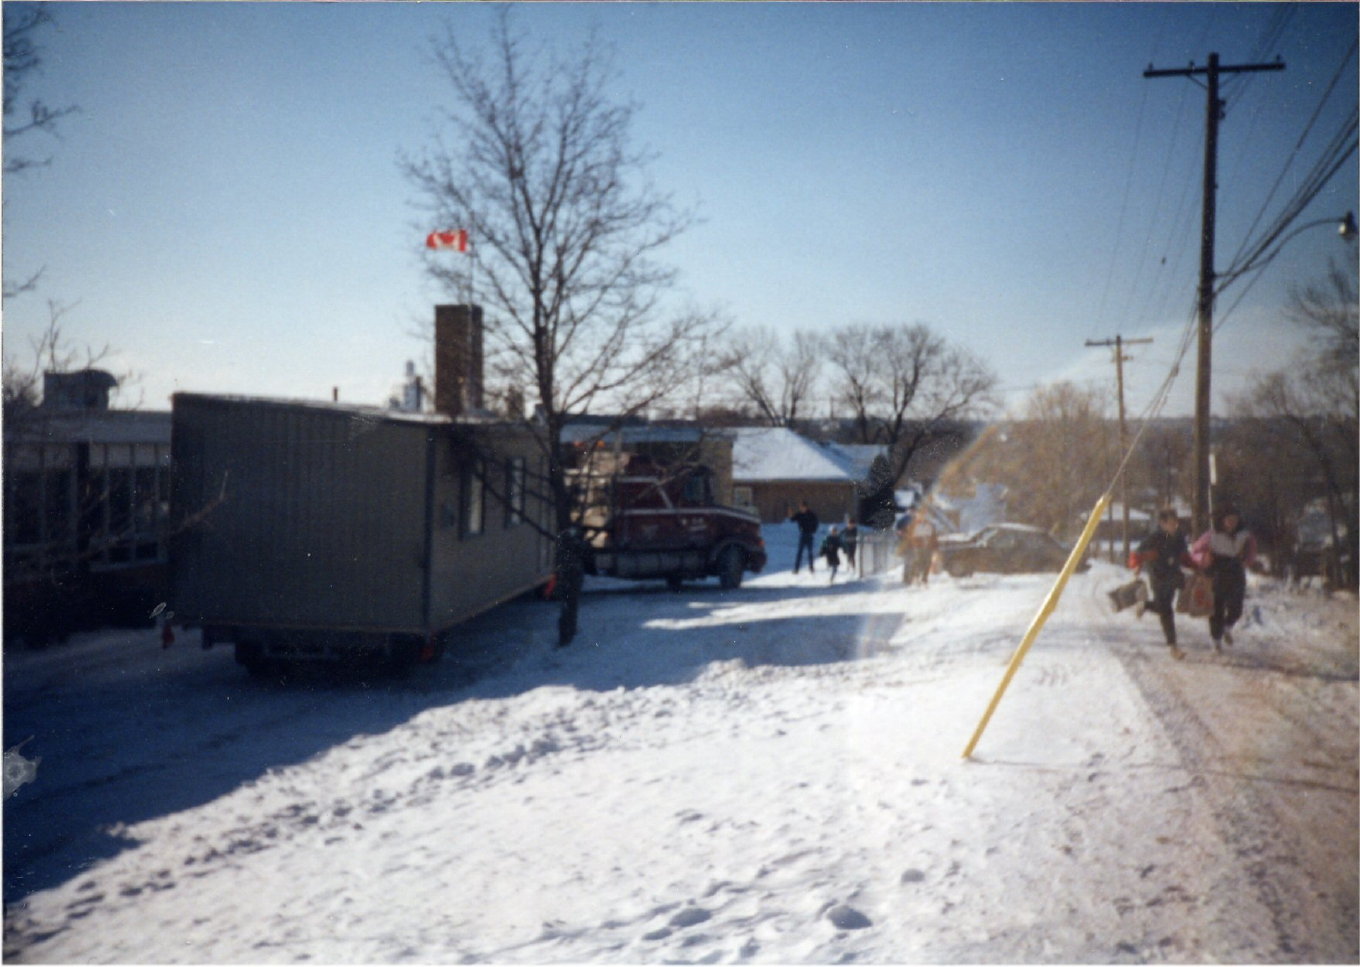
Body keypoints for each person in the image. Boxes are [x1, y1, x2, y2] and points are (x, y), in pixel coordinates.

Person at [1191, 505, 1259, 652]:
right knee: (1217, 608)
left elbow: (1252, 550)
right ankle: (1216, 639)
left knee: (1236, 606)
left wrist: (1247, 561)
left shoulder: (1245, 535)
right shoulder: (1212, 535)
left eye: (1234, 519)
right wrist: (1204, 557)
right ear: (1222, 520)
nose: (1232, 522)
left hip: (1236, 570)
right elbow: (1195, 551)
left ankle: (1227, 627)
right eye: (1229, 519)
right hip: (1217, 571)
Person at [1130, 508, 1195, 660]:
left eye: (1175, 523)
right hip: (1158, 576)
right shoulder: (1155, 538)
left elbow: (1185, 557)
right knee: (1166, 610)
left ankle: (1145, 605)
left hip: (1172, 577)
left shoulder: (1179, 538)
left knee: (1163, 607)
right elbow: (1137, 553)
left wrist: (1197, 567)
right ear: (1162, 523)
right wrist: (1136, 565)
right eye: (1170, 523)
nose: (1174, 526)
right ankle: (1173, 647)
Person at [554, 525, 590, 648]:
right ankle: (566, 635)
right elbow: (585, 553)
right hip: (571, 579)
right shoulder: (574, 547)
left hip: (566, 579)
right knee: (570, 607)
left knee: (567, 607)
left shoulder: (563, 547)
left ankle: (567, 634)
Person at [907, 511, 939, 585]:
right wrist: (914, 543)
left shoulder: (930, 525)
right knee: (918, 562)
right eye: (919, 516)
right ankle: (916, 576)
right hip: (918, 546)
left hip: (928, 546)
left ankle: (924, 578)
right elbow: (910, 536)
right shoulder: (913, 525)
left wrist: (935, 546)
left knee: (927, 562)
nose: (921, 517)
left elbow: (934, 536)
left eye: (923, 516)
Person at [788, 501, 819, 574]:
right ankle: (796, 569)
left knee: (810, 553)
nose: (801, 509)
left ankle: (811, 568)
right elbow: (792, 519)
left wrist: (813, 530)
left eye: (803, 507)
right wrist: (790, 512)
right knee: (799, 553)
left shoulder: (811, 514)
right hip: (802, 535)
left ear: (806, 507)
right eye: (800, 507)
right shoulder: (799, 514)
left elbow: (816, 522)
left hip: (809, 535)